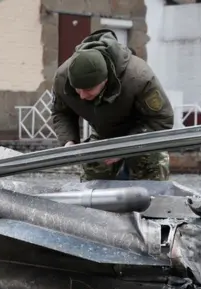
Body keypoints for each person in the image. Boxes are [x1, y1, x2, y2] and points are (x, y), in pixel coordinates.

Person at [50, 29, 174, 181]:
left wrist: (124, 147)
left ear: (105, 81)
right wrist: (69, 141)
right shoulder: (62, 78)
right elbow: (61, 112)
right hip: (104, 134)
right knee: (92, 182)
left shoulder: (139, 77)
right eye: (77, 90)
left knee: (151, 175)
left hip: (141, 135)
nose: (82, 95)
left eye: (88, 90)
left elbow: (162, 119)